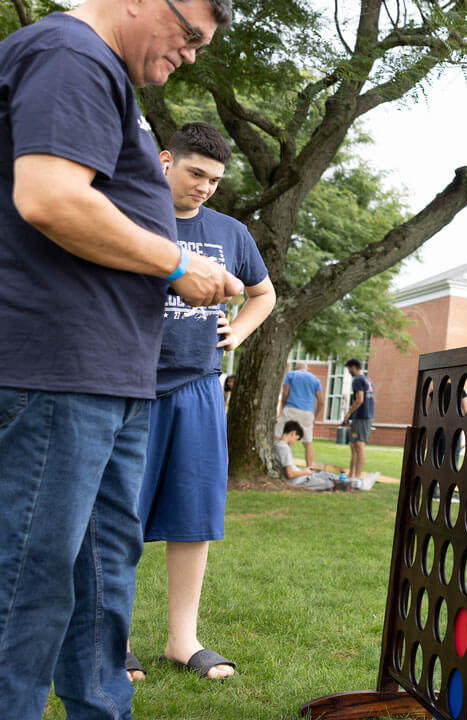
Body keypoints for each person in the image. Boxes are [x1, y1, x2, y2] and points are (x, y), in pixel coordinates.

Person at [0, 1, 238, 716]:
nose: (192, 54)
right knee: (28, 583)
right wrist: (176, 265)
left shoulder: (104, 73)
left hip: (110, 381)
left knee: (103, 578)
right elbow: (49, 198)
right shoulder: (68, 55)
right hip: (58, 374)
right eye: (189, 34)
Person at [128, 123, 277, 682]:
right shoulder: (132, 215)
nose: (205, 187)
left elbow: (263, 294)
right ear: (165, 161)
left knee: (193, 518)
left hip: (199, 386)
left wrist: (237, 333)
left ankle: (181, 641)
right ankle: (109, 639)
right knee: (119, 517)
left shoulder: (231, 232)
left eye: (215, 180)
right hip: (133, 384)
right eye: (196, 174)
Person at [274, 421, 373, 491]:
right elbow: (290, 474)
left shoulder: (276, 444)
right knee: (328, 483)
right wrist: (304, 472)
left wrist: (304, 471)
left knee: (326, 475)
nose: (295, 441)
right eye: (296, 438)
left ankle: (355, 481)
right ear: (293, 433)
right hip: (300, 480)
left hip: (302, 477)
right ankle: (360, 484)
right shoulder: (284, 448)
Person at [277, 363, 324, 467]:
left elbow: (285, 392)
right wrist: (314, 416)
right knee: (308, 444)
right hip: (307, 413)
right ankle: (309, 468)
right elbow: (321, 402)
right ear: (307, 369)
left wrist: (283, 407)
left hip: (291, 409)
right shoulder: (315, 379)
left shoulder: (291, 375)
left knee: (279, 437)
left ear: (296, 368)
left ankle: (276, 464)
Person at [342, 358, 375, 481]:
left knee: (359, 445)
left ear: (353, 367)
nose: (349, 371)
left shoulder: (358, 380)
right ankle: (351, 474)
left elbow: (360, 400)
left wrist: (348, 413)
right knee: (354, 445)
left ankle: (356, 476)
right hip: (365, 416)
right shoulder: (368, 379)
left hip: (361, 417)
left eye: (349, 369)